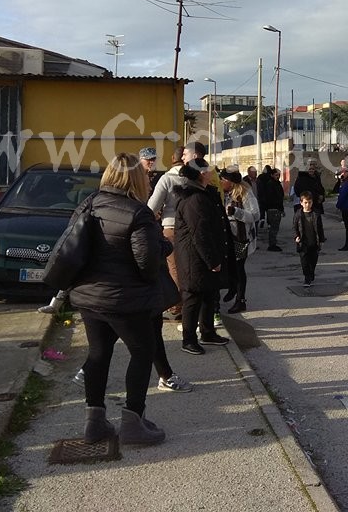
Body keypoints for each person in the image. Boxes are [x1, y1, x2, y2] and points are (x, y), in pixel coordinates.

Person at [63, 152, 166, 446]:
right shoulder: (138, 212)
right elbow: (146, 264)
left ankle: (94, 423)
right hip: (124, 300)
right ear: (135, 178)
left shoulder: (89, 203)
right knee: (143, 351)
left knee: (98, 353)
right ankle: (133, 421)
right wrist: (163, 248)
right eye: (145, 175)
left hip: (88, 295)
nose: (148, 178)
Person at [173, 158, 230, 355]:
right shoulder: (194, 198)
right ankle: (188, 339)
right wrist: (212, 260)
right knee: (193, 297)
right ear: (201, 174)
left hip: (205, 255)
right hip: (194, 257)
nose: (212, 172)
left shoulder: (204, 193)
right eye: (208, 169)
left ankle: (208, 332)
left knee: (209, 293)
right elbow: (200, 232)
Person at [147, 146, 185, 321]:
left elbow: (151, 207)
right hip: (192, 227)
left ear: (172, 158)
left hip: (172, 227)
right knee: (188, 267)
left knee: (174, 268)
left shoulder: (167, 179)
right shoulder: (194, 177)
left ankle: (176, 306)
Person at [221, 167, 259, 313]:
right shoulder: (224, 193)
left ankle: (240, 300)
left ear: (231, 182)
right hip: (227, 236)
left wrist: (236, 212)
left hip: (242, 237)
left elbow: (255, 215)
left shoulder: (245, 193)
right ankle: (232, 287)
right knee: (229, 265)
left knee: (238, 268)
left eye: (224, 179)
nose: (221, 181)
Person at [293, 191, 325, 287]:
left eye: (310, 202)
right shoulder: (298, 214)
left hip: (314, 242)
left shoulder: (316, 214)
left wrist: (322, 240)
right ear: (301, 202)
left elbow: (320, 228)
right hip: (303, 242)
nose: (308, 205)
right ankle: (307, 278)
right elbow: (294, 227)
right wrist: (296, 236)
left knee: (313, 260)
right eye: (306, 202)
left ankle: (311, 273)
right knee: (304, 261)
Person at [259, 165, 286, 251]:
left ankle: (273, 243)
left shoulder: (277, 184)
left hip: (277, 209)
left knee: (275, 227)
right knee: (273, 228)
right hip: (273, 209)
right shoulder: (270, 184)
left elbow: (280, 197)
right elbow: (272, 198)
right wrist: (276, 206)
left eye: (278, 175)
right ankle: (272, 245)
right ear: (272, 175)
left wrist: (281, 209)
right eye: (276, 175)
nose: (277, 176)